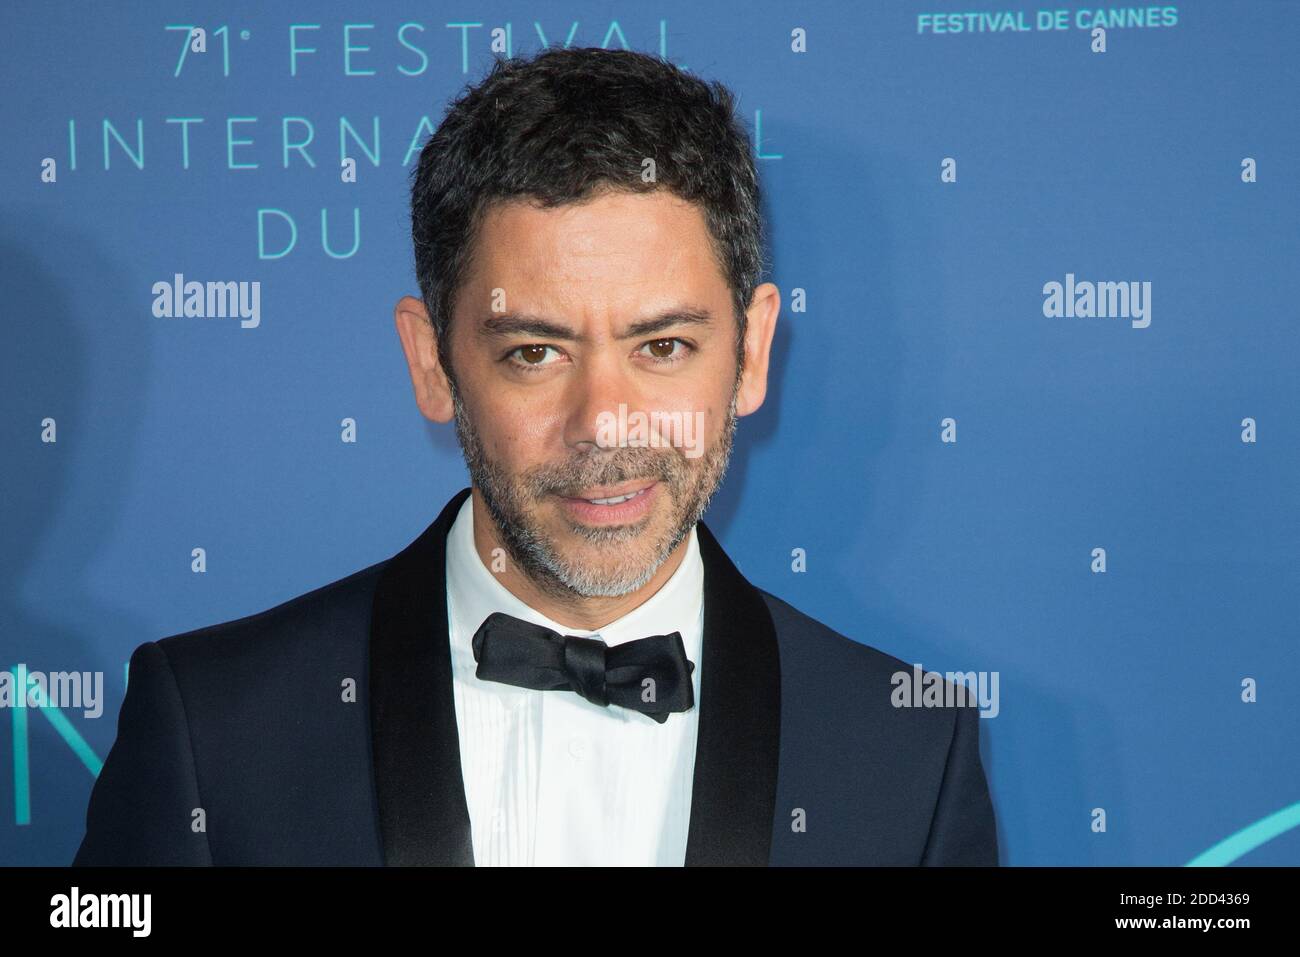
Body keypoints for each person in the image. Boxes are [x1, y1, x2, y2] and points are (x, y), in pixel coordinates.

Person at [73, 46, 997, 866]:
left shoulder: (907, 750)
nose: (605, 423)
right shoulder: (215, 731)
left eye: (663, 346)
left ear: (751, 354)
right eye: (534, 353)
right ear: (434, 362)